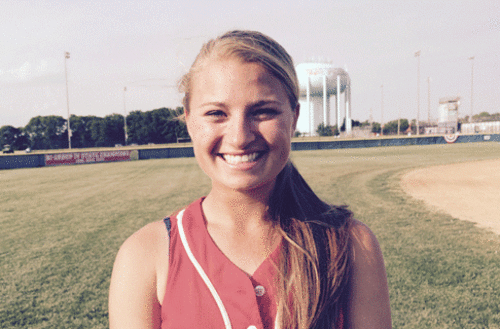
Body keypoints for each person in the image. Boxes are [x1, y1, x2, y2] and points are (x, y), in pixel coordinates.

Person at [109, 30, 391, 329]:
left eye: (263, 111)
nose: (240, 137)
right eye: (216, 113)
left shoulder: (350, 245)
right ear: (189, 120)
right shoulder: (146, 254)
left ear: (293, 118)